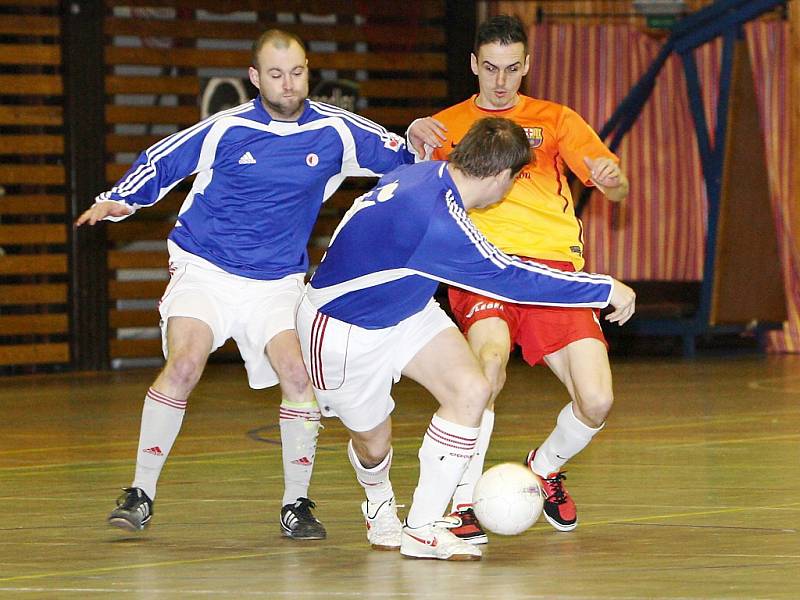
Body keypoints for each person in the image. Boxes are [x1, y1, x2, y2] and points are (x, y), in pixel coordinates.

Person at [75, 29, 438, 539]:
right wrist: (121, 199)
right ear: (255, 78)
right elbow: (164, 158)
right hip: (206, 269)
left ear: (308, 71)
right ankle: (140, 492)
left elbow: (406, 156)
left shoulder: (336, 131)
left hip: (277, 281)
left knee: (298, 372)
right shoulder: (227, 128)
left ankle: (297, 504)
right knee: (184, 363)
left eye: (297, 73)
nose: (288, 85)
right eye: (275, 74)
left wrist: (426, 142)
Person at [295, 117, 636, 561]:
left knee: (473, 388)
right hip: (342, 331)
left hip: (408, 309)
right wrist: (604, 288)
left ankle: (422, 528)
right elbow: (512, 279)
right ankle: (377, 497)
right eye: (515, 179)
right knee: (374, 446)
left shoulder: (427, 174)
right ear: (500, 177)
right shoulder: (437, 222)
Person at [410, 14, 631, 543]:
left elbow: (616, 189)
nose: (501, 81)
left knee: (597, 400)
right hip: (483, 268)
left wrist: (612, 181)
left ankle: (546, 467)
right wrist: (413, 137)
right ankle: (462, 503)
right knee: (486, 372)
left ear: (527, 66)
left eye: (512, 69)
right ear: (473, 66)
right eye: (490, 69)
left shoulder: (555, 120)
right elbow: (410, 186)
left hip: (553, 273)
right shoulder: (447, 126)